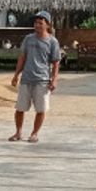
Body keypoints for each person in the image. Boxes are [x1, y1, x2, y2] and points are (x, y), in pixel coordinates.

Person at [9, 10, 61, 144]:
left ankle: (34, 133)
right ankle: (18, 132)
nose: (37, 25)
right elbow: (22, 57)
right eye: (35, 23)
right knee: (20, 108)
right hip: (26, 79)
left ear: (47, 25)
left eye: (40, 23)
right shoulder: (28, 39)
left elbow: (56, 63)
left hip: (42, 80)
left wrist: (54, 80)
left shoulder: (52, 42)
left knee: (41, 109)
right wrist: (16, 75)